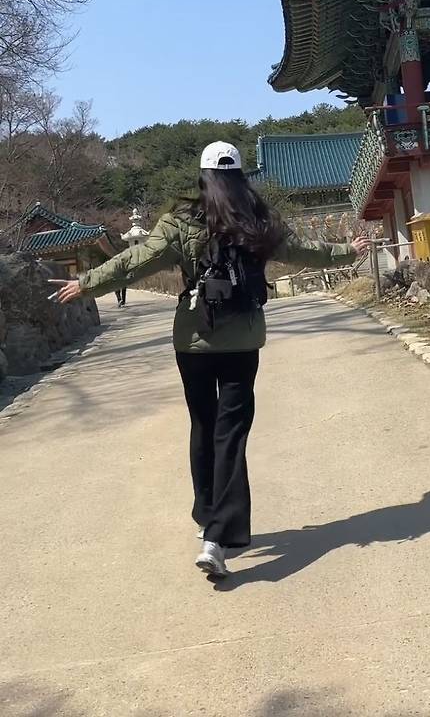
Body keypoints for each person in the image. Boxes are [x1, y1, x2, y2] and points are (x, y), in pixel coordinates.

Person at [50, 141, 369, 578]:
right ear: (241, 177)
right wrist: (348, 249)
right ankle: (217, 534)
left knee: (203, 425)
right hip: (242, 340)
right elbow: (303, 250)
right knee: (230, 434)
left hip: (194, 341)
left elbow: (136, 261)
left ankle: (208, 518)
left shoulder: (180, 222)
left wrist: (88, 283)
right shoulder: (258, 220)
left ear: (202, 177)